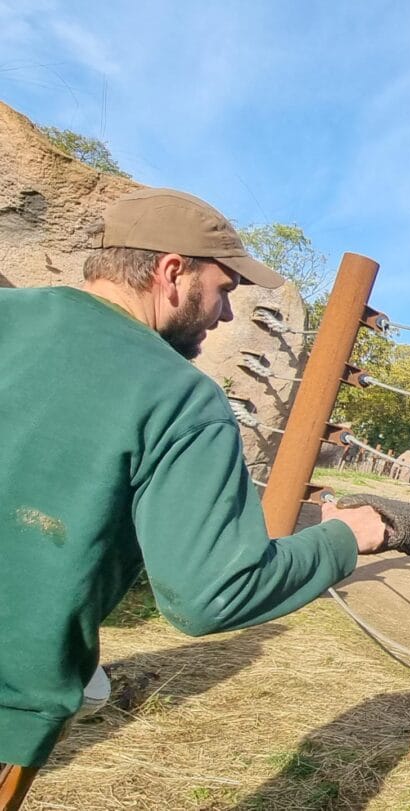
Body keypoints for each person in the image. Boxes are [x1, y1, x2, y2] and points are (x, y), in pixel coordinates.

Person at [0, 188, 387, 808]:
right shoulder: (179, 397)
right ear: (172, 272)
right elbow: (210, 593)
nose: (227, 316)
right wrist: (345, 537)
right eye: (224, 290)